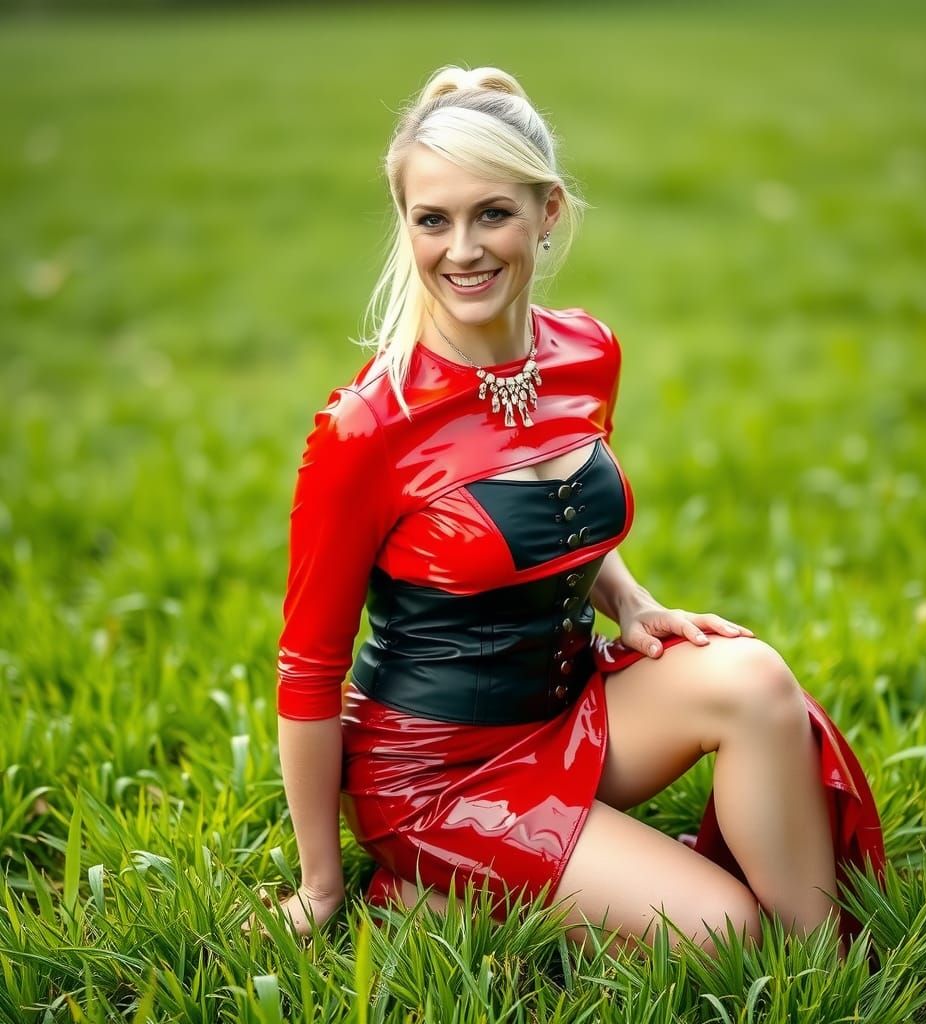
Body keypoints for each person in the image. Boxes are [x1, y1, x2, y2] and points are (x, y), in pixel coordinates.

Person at [253, 64, 886, 958]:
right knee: (726, 936)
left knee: (754, 679)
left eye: (493, 214)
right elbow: (309, 668)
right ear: (405, 224)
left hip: (566, 711)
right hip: (434, 777)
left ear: (547, 212)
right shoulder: (366, 427)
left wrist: (629, 602)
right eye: (432, 219)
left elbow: (563, 525)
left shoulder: (587, 352)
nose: (462, 249)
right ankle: (419, 891)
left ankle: (830, 963)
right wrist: (322, 885)